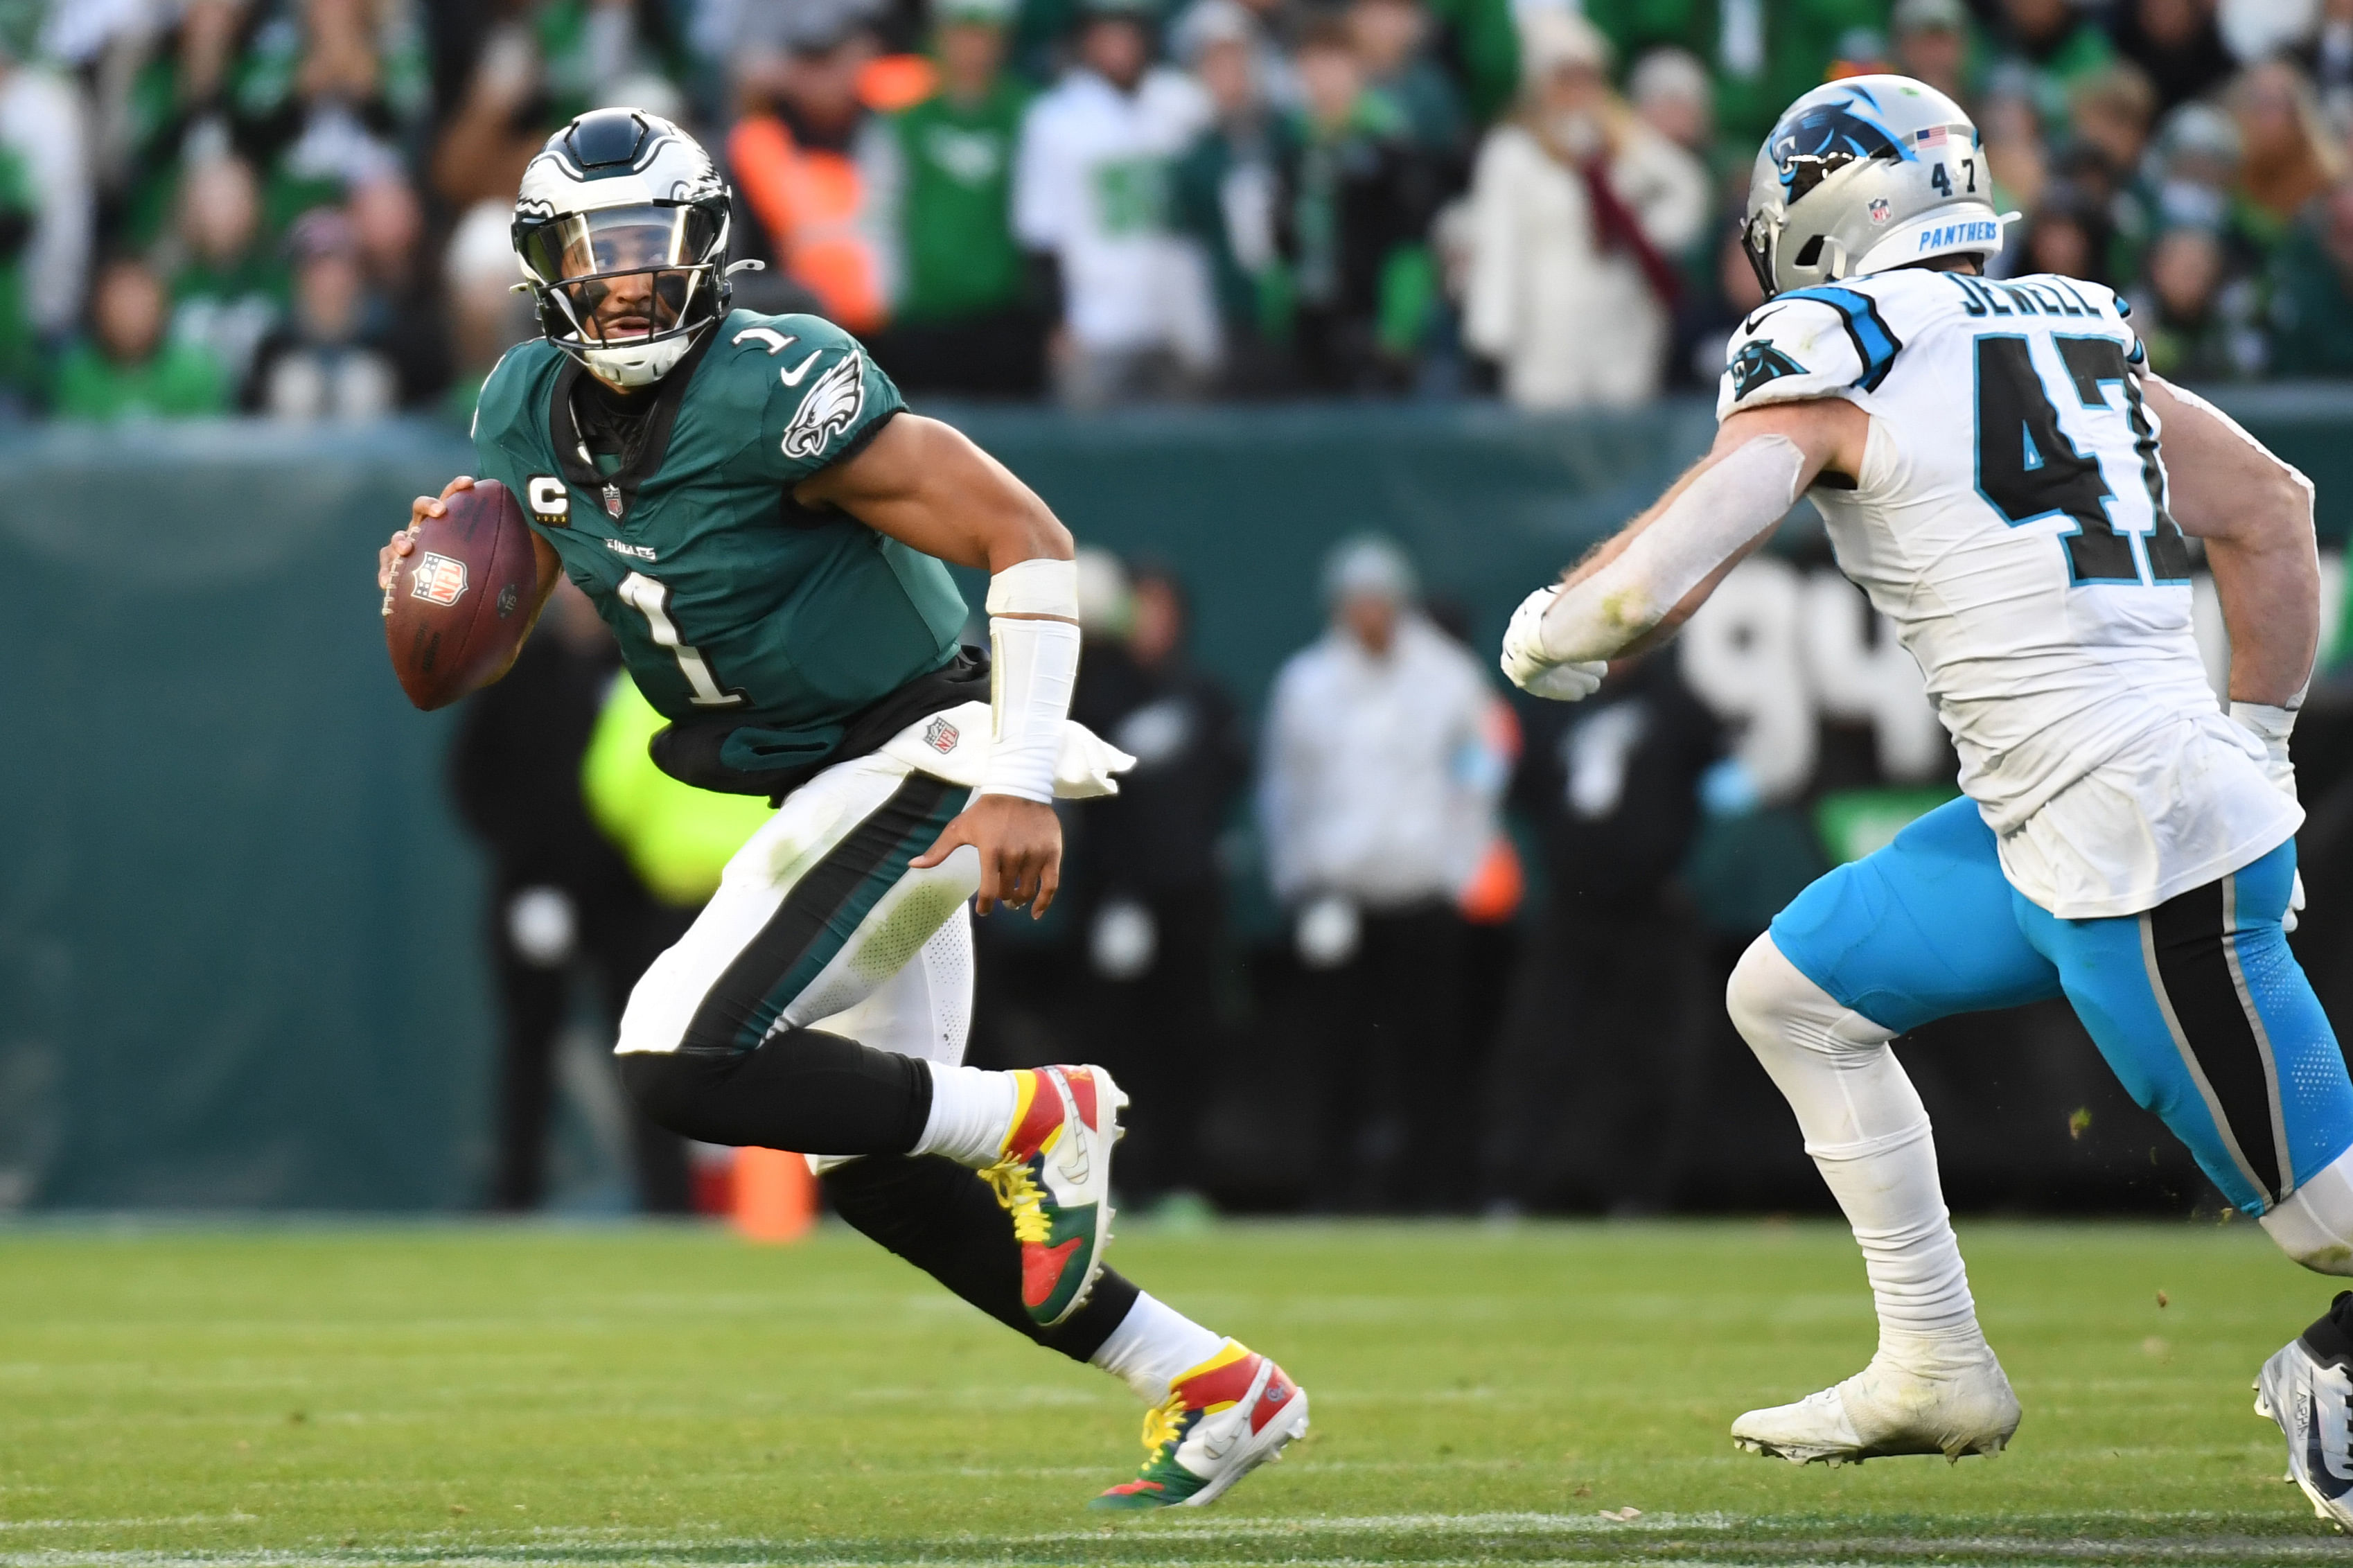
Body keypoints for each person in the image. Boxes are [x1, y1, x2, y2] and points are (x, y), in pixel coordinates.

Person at [373, 109, 1307, 1509]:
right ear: (543, 265)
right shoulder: (522, 406)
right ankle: (1207, 1377)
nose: (625, 282)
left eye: (650, 249)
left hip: (922, 743)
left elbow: (1027, 539)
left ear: (707, 251)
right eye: (594, 251)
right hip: (827, 771)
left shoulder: (775, 382)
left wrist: (1019, 771)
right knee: (867, 1163)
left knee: (674, 1053)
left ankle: (1036, 1114)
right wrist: (442, 586)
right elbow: (510, 613)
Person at [1498, 74, 2353, 1519]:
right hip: (2078, 815)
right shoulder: (2078, 325)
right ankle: (1932, 1360)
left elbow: (1660, 570)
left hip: (2127, 848)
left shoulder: (1838, 341)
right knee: (1789, 995)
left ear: (1830, 212)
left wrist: (1554, 625)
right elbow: (2273, 509)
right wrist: (2258, 752)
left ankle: (2336, 1364)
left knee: (2332, 1227)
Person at [1258, 536, 1499, 1210]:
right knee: (1340, 1056)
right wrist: (1299, 884)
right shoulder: (1307, 682)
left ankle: (1436, 1189)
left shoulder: (1449, 675)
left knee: (1432, 1052)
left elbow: (1481, 772)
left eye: (1380, 601)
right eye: (1357, 603)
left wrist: (1462, 868)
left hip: (1423, 894)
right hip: (1340, 898)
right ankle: (1337, 1189)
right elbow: (1285, 790)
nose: (1370, 615)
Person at [451, 580, 694, 1215]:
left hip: (627, 899)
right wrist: (529, 882)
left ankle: (668, 1203)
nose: (580, 595)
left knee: (647, 1047)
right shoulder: (514, 672)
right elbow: (473, 781)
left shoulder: (646, 674)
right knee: (529, 1044)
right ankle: (514, 1195)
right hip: (530, 897)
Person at [1459, 9, 1709, 409]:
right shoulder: (1514, 150)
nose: (1576, 91)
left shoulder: (1620, 139)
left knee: (1622, 431)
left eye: (1586, 78)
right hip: (1547, 319)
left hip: (1621, 312)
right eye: (1565, 78)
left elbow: (1686, 189)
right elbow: (1499, 243)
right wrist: (1492, 330)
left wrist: (1649, 233)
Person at [1014, 0, 1218, 407]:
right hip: (1096, 325)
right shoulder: (1056, 118)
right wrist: (1057, 323)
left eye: (1127, 32)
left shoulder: (1184, 104)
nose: (1118, 45)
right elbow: (1040, 232)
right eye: (1106, 33)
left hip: (1177, 324)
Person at [865, 0, 1043, 396]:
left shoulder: (1030, 114)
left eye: (984, 35)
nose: (973, 47)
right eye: (962, 33)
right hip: (926, 313)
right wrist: (888, 297)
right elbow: (881, 212)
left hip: (1005, 313)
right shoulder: (907, 122)